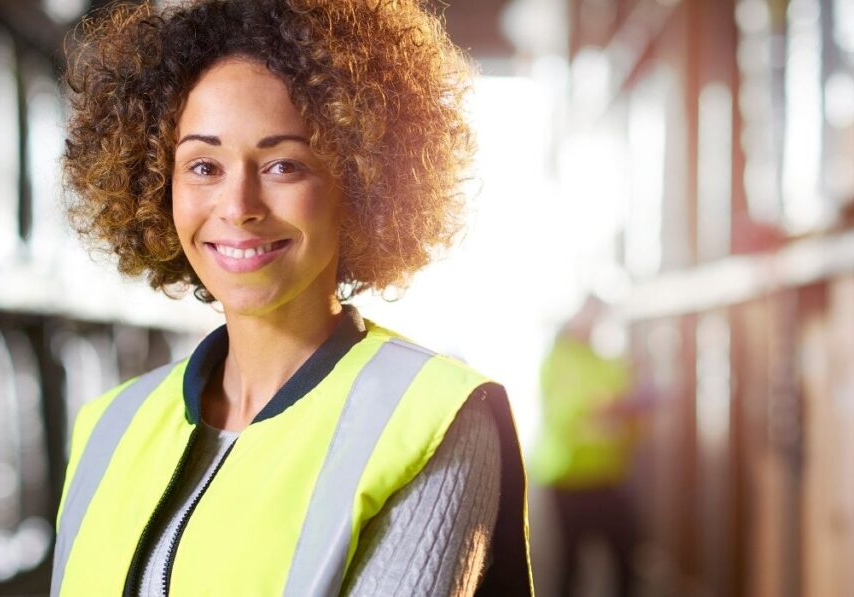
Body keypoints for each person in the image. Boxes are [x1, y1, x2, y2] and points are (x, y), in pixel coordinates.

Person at [50, 1, 532, 595]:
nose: (238, 205)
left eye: (283, 164)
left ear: (358, 184)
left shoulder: (431, 420)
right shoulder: (107, 428)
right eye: (203, 166)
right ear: (157, 185)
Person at [531, 295, 641, 597]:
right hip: (567, 476)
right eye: (588, 316)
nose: (592, 324)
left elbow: (625, 405)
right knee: (570, 562)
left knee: (626, 554)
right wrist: (600, 409)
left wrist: (623, 410)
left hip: (607, 475)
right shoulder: (557, 359)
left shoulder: (604, 361)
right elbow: (563, 411)